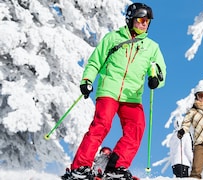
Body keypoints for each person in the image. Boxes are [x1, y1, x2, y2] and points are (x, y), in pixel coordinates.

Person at [64, 2, 166, 180]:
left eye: (147, 21)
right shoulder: (113, 38)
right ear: (131, 20)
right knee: (101, 125)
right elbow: (95, 61)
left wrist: (155, 79)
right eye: (141, 19)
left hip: (132, 96)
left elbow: (160, 71)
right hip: (109, 90)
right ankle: (80, 167)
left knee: (136, 129)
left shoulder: (152, 47)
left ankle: (116, 168)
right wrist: (87, 80)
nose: (144, 24)